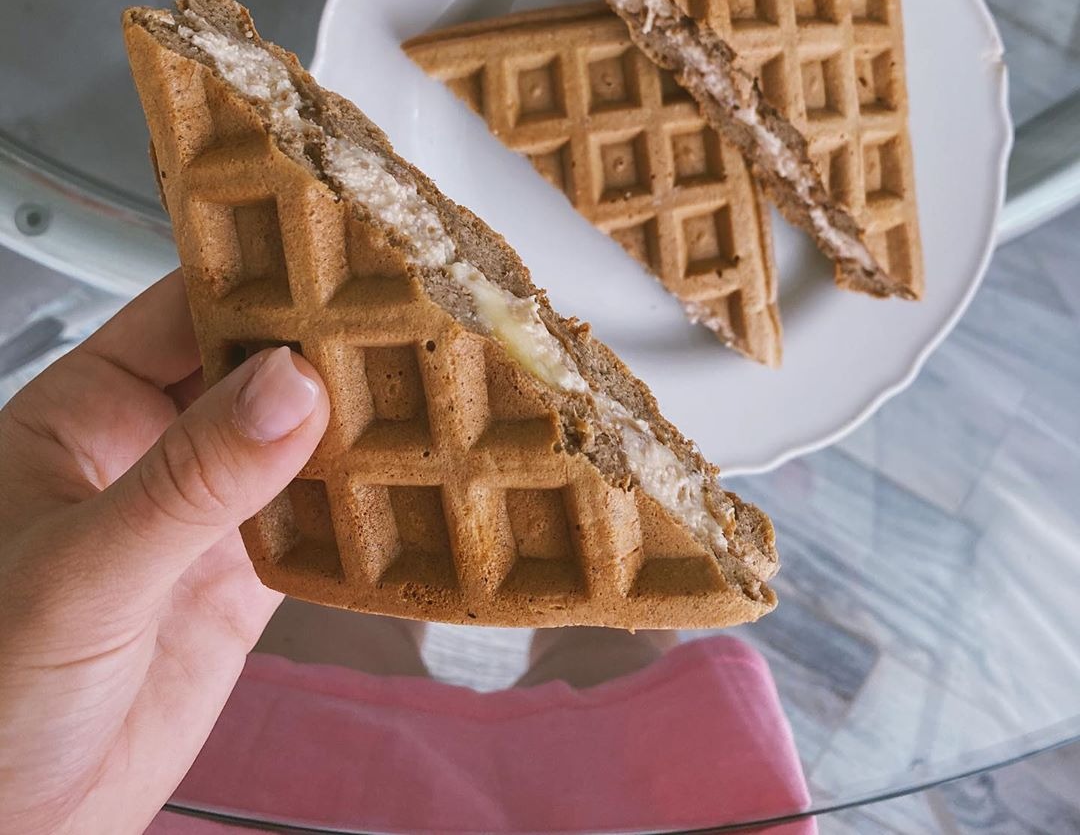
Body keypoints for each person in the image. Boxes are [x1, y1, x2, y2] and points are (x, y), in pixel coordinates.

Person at [0, 273, 813, 835]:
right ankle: (605, 501)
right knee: (615, 627)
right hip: (639, 814)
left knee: (337, 584)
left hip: (228, 788)